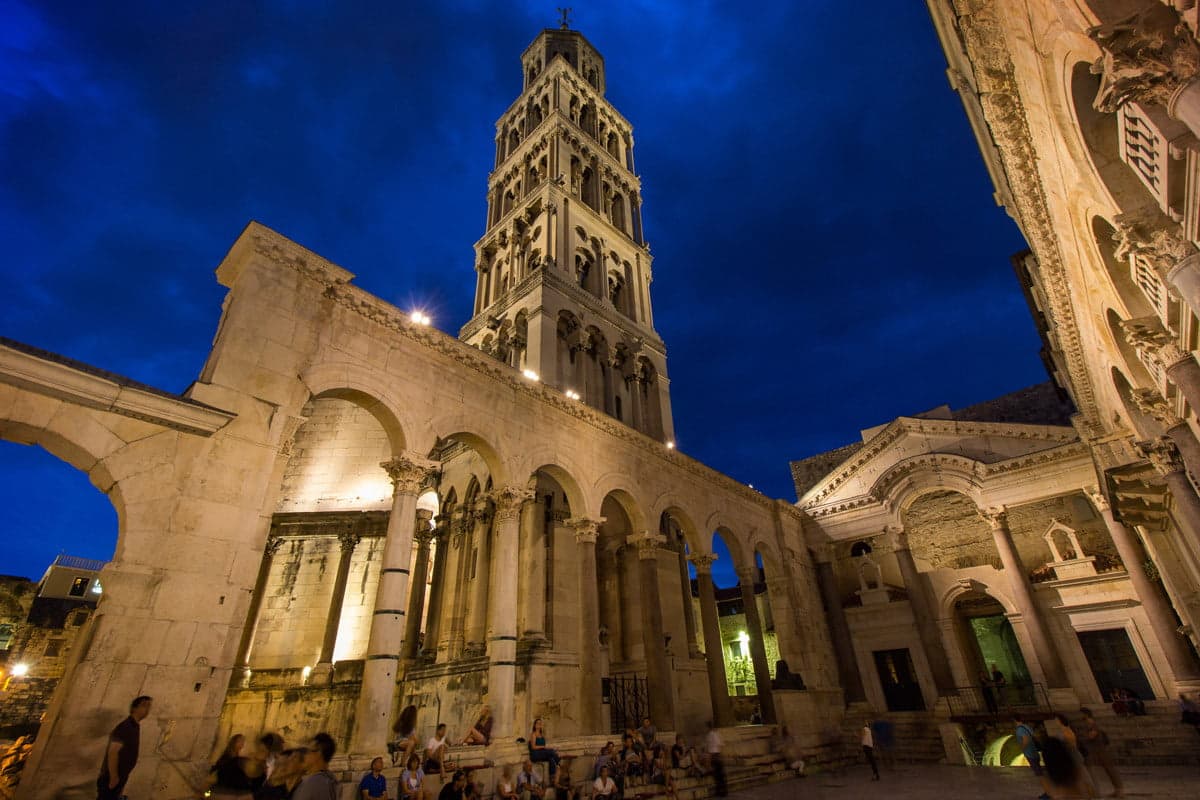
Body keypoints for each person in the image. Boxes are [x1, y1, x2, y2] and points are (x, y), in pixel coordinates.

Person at [96, 695, 152, 800]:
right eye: (144, 705)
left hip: (119, 778)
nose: (147, 709)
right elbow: (113, 752)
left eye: (149, 706)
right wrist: (114, 777)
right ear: (134, 708)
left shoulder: (134, 726)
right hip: (109, 779)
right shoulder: (126, 727)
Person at [1079, 708, 1123, 798]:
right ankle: (1117, 790)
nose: (1080, 716)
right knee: (1107, 771)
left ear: (1086, 714)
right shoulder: (1089, 724)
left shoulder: (1092, 724)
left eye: (1081, 714)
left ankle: (1119, 791)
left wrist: (1082, 739)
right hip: (1096, 750)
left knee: (1110, 770)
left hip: (1100, 751)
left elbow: (1092, 736)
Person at [1053, 714, 1093, 796]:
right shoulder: (1063, 731)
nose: (1055, 722)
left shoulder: (1067, 731)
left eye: (1056, 720)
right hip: (1070, 756)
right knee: (1079, 777)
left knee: (1084, 777)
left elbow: (1071, 744)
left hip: (1074, 755)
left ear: (1060, 721)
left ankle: (1091, 794)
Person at [293, 733, 339, 800]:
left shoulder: (313, 783)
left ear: (318, 753)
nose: (302, 755)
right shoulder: (330, 779)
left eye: (305, 751)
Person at [1013, 714, 1047, 800]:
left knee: (1039, 774)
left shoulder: (1019, 730)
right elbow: (1034, 736)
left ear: (1014, 721)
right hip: (1035, 752)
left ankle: (1047, 793)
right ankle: (1047, 790)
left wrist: (1022, 748)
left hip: (1030, 753)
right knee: (1040, 772)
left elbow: (1026, 739)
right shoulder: (1026, 727)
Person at [704, 721, 726, 797]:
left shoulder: (710, 735)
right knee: (720, 775)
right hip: (718, 755)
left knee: (717, 775)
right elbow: (721, 745)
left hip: (714, 756)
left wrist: (708, 762)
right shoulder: (717, 734)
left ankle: (720, 791)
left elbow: (710, 749)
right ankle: (722, 791)